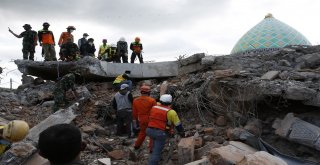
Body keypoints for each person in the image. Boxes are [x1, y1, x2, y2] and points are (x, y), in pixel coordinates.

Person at [146, 94, 185, 165]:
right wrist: (182, 133)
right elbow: (178, 125)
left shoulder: (154, 107)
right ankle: (153, 161)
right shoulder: (171, 112)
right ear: (170, 102)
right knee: (156, 153)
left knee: (154, 145)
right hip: (160, 133)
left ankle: (152, 154)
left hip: (149, 130)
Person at [132, 85, 156, 151]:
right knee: (152, 133)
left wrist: (135, 120)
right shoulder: (152, 100)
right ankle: (151, 148)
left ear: (141, 92)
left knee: (142, 132)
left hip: (141, 119)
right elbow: (155, 111)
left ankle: (136, 146)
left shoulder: (135, 100)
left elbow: (134, 112)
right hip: (150, 119)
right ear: (148, 92)